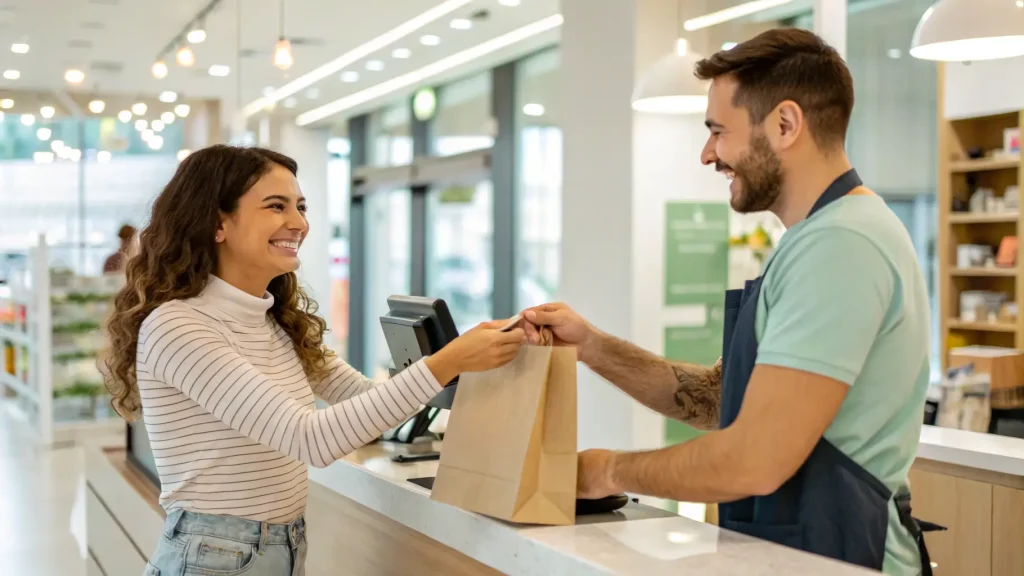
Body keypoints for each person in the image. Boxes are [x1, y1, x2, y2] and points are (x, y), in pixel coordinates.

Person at [521, 29, 933, 576]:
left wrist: (608, 471)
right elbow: (723, 400)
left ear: (785, 125)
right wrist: (593, 347)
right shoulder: (815, 239)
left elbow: (755, 458)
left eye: (718, 131)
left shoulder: (842, 245)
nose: (707, 153)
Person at [100, 145, 524, 576]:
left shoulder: (273, 320)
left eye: (301, 207)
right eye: (276, 206)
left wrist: (473, 360)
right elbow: (310, 439)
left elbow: (364, 399)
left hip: (279, 548)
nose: (299, 223)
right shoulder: (179, 327)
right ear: (217, 223)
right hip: (215, 555)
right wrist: (446, 363)